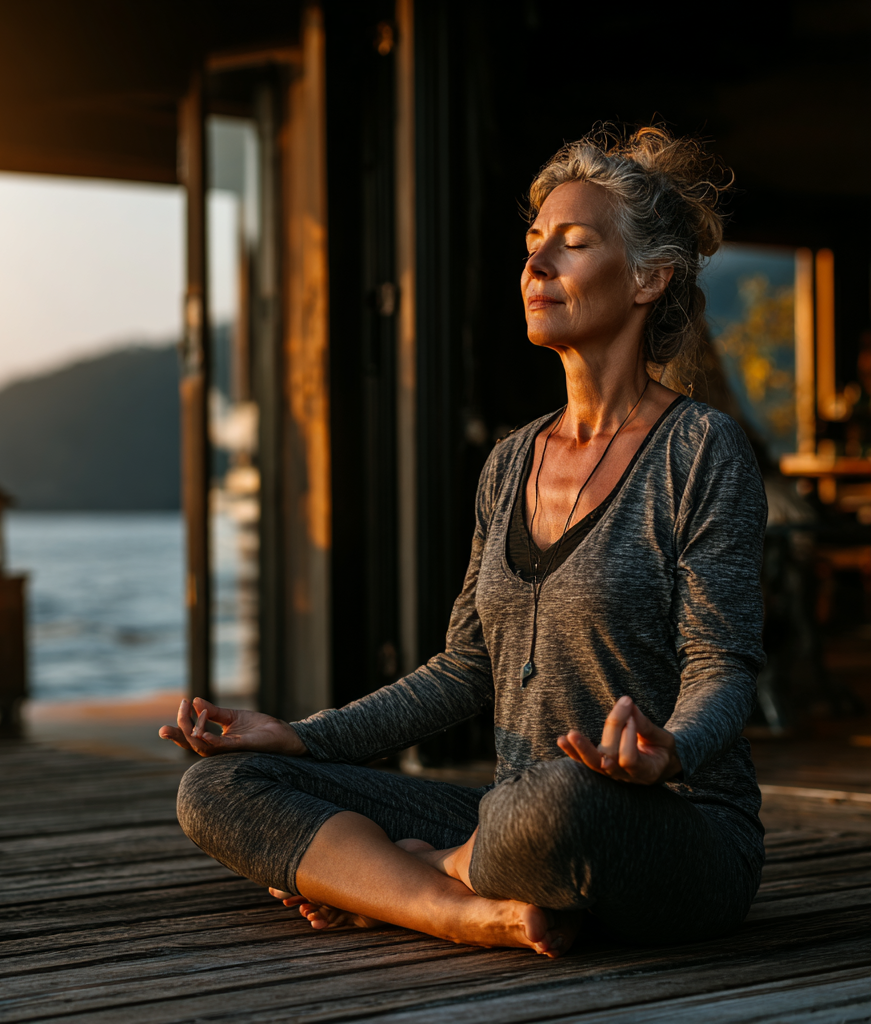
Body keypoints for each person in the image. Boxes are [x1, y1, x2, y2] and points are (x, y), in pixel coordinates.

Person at [160, 126, 766, 957]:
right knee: (221, 785)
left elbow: (722, 667)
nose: (537, 265)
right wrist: (304, 737)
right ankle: (472, 909)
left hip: (664, 826)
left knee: (556, 802)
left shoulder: (700, 450)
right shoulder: (512, 461)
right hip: (507, 816)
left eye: (574, 243)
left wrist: (672, 751)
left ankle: (401, 880)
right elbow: (466, 667)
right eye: (533, 243)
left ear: (649, 279)